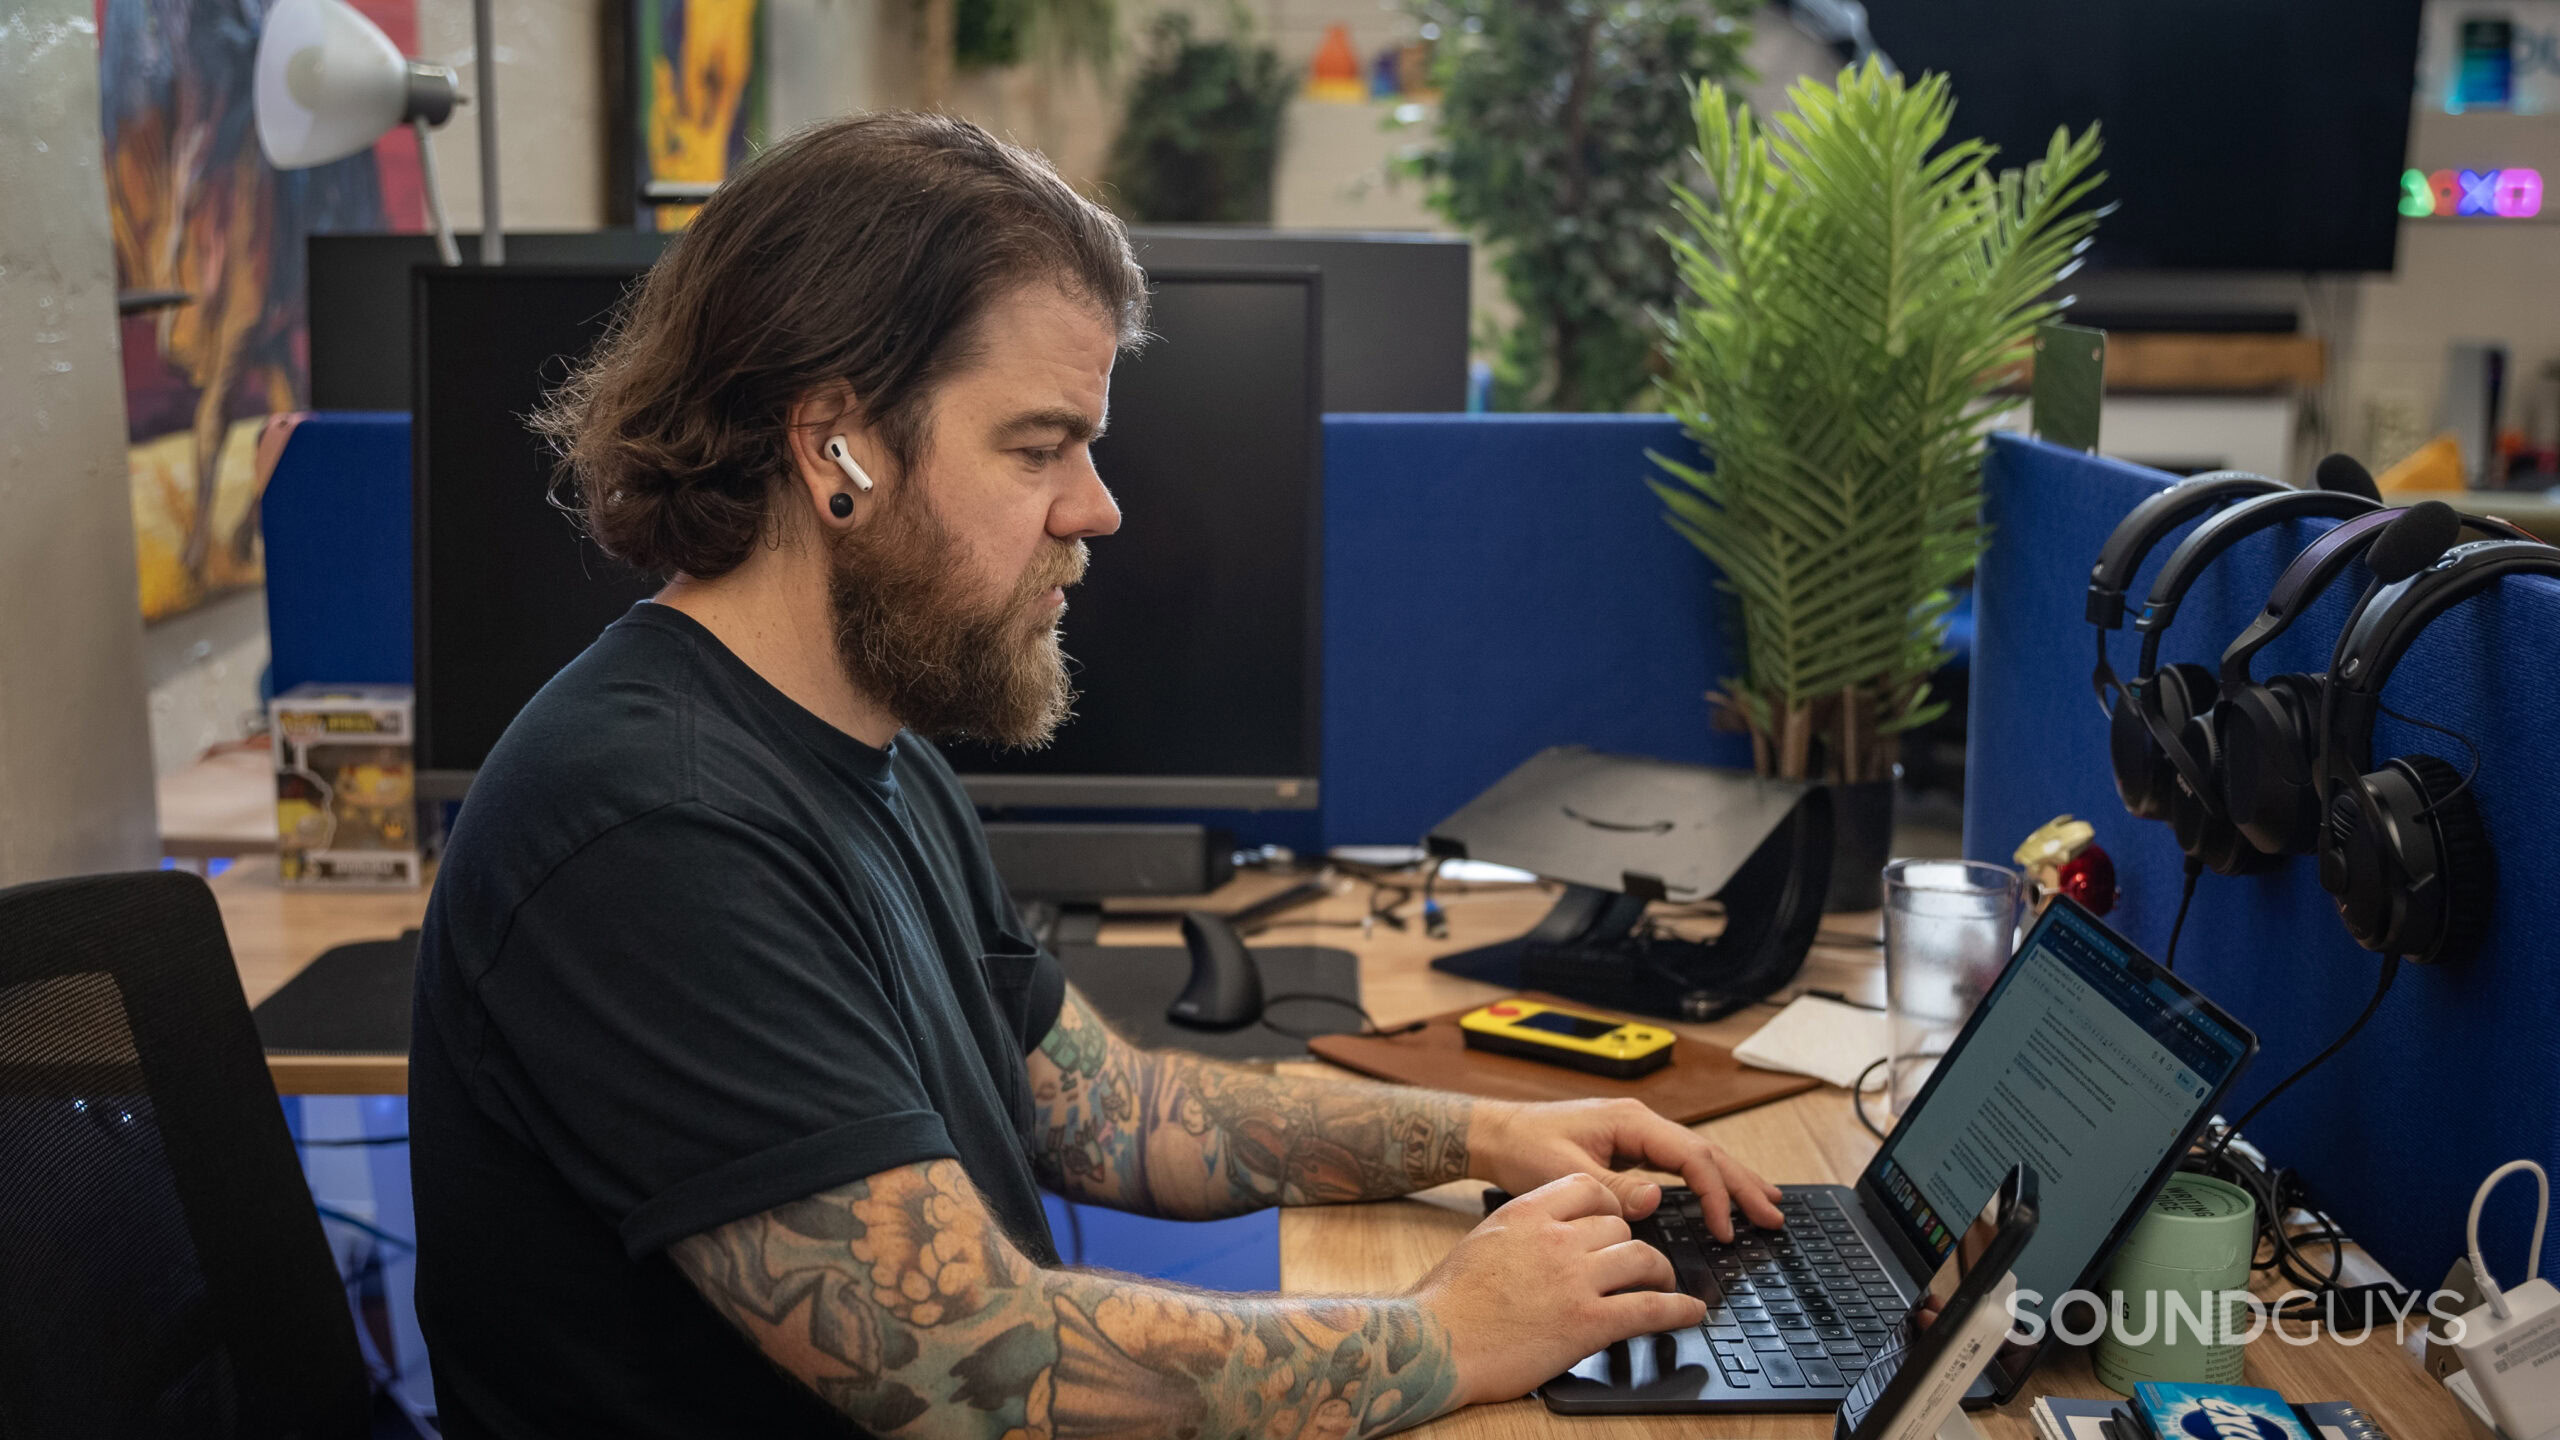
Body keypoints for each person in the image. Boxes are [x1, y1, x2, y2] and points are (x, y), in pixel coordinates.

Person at [409, 111, 1784, 1440]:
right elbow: (980, 1378)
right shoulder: (653, 824)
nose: (1097, 507)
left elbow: (1118, 1113)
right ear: (835, 447)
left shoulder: (865, 751)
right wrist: (1450, 1332)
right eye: (1038, 444)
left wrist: (1487, 1134)